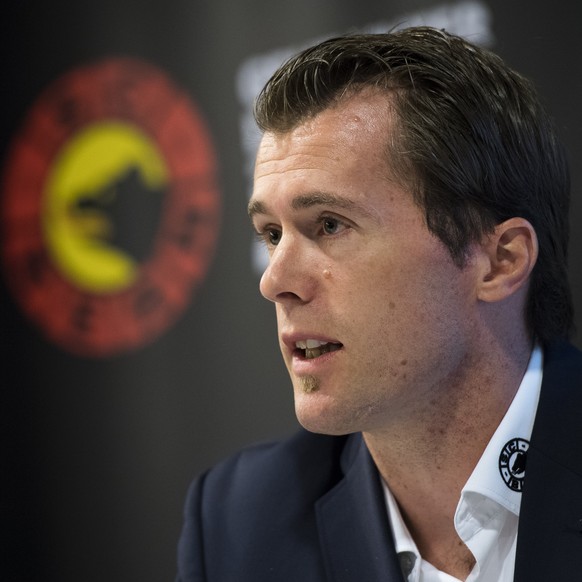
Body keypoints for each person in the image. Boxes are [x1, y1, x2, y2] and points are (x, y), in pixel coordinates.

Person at [176, 27, 582, 582]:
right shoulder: (239, 521)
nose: (274, 281)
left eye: (329, 225)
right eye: (271, 234)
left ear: (499, 261)